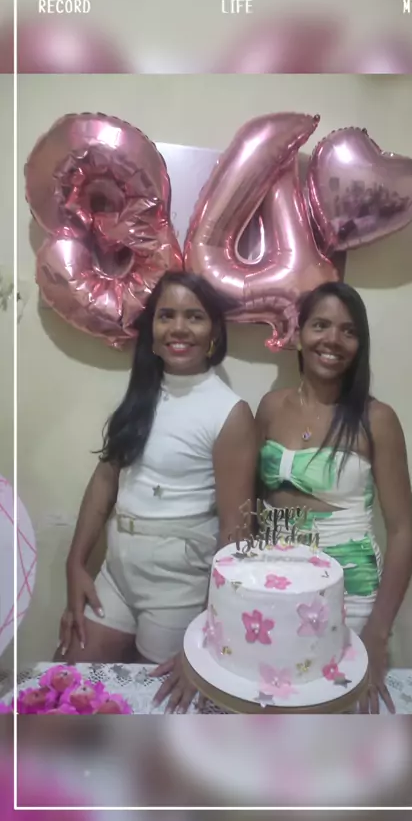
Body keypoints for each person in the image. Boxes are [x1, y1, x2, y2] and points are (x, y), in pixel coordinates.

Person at [56, 271, 257, 712]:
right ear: (151, 330)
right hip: (117, 572)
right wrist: (75, 564)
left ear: (214, 331)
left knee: (153, 707)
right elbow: (105, 480)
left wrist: (212, 629)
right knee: (66, 686)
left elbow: (235, 530)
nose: (178, 328)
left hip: (178, 585)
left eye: (194, 317)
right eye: (166, 316)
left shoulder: (229, 412)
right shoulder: (140, 396)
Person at [255, 282, 412, 714]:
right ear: (298, 334)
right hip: (274, 585)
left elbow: (403, 531)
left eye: (348, 331)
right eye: (320, 325)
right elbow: (250, 506)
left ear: (360, 345)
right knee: (275, 710)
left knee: (340, 721)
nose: (332, 339)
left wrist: (378, 633)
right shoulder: (270, 407)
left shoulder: (376, 419)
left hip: (351, 594)